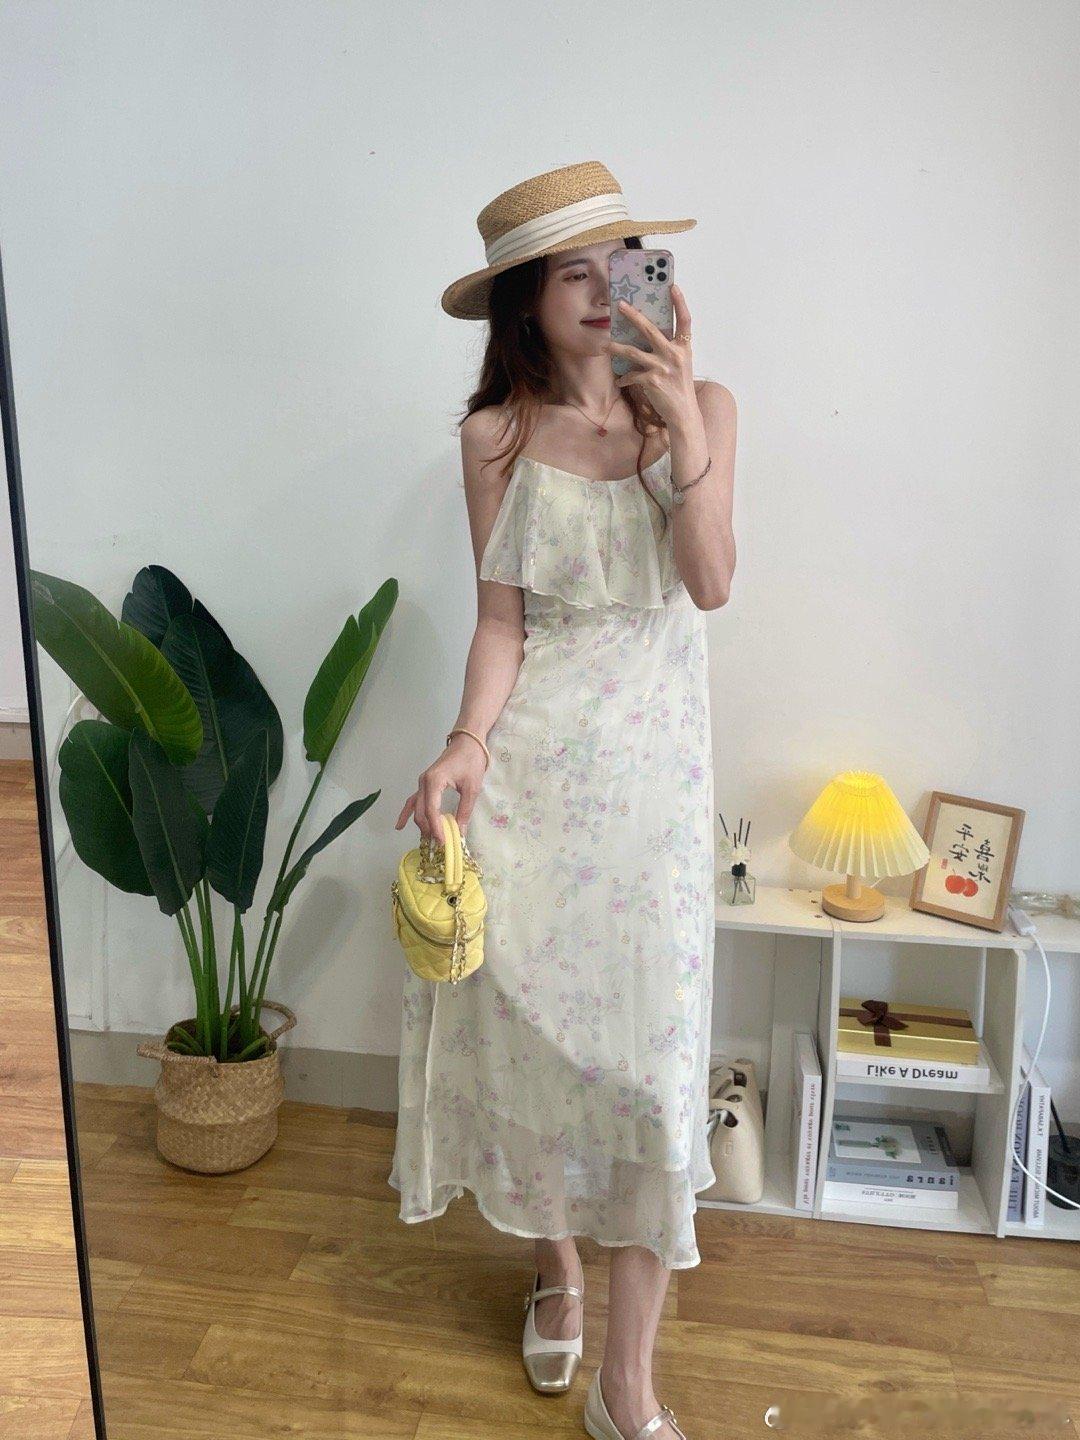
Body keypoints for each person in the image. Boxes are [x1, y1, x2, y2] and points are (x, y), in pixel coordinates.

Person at [388, 160, 737, 1440]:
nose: (600, 292)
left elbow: (710, 584)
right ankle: (556, 1266)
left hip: (654, 790)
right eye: (569, 274)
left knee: (650, 1067)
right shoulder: (494, 437)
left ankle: (627, 1386)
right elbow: (502, 623)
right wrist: (464, 743)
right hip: (532, 777)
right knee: (532, 1039)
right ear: (526, 303)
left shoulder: (706, 408)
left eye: (618, 265)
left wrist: (684, 435)